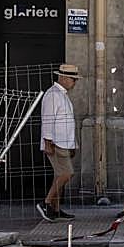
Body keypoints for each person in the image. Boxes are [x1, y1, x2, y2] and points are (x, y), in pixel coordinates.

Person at [37, 63, 80, 222]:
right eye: (72, 79)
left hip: (64, 142)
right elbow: (47, 119)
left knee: (59, 175)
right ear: (62, 77)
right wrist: (48, 141)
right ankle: (46, 202)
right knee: (66, 173)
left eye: (75, 80)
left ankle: (55, 209)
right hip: (56, 143)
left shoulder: (63, 95)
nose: (74, 83)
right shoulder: (53, 94)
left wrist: (73, 143)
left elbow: (68, 121)